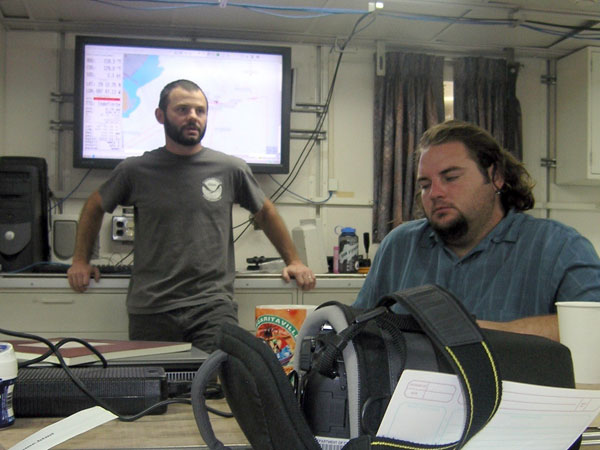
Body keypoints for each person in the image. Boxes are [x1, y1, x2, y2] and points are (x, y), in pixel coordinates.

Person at [67, 79, 316, 353]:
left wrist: (293, 261)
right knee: (157, 390)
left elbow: (265, 211)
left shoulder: (230, 168)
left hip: (212, 308)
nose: (193, 117)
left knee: (217, 387)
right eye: (182, 109)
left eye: (200, 110)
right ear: (160, 116)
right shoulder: (135, 170)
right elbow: (94, 205)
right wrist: (81, 260)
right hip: (151, 309)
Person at [354, 120, 600, 342]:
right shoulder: (399, 246)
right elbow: (358, 326)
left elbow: (592, 326)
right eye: (425, 185)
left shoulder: (559, 247)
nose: (435, 193)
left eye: (450, 178)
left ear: (496, 177)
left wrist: (472, 333)